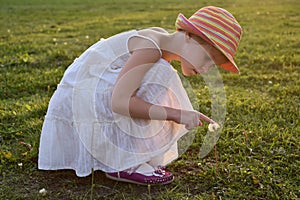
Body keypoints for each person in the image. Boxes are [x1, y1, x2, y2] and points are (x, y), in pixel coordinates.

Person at [38, 6, 242, 185]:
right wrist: (177, 114)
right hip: (82, 100)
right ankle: (122, 162)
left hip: (90, 98)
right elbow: (119, 102)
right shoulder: (151, 47)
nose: (206, 69)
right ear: (188, 35)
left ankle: (127, 155)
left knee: (160, 77)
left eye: (212, 65)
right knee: (161, 74)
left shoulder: (160, 44)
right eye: (206, 58)